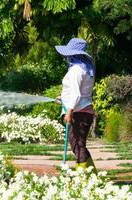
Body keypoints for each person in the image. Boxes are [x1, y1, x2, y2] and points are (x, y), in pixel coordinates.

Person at [55, 38, 96, 172]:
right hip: (84, 111)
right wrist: (63, 98)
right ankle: (92, 176)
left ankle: (82, 177)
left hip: (79, 113)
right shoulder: (85, 68)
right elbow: (80, 92)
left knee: (77, 146)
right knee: (79, 145)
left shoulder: (76, 70)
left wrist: (69, 111)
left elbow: (77, 94)